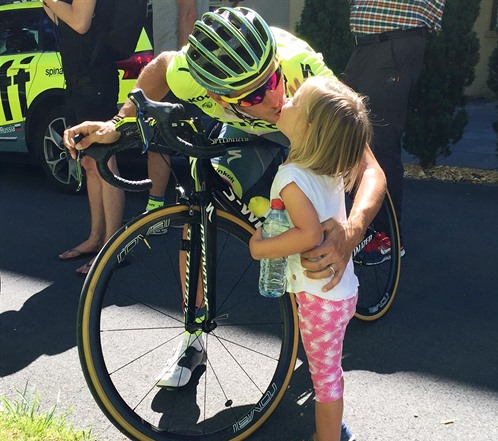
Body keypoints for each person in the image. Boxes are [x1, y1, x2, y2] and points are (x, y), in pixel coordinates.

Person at [63, 7, 387, 388]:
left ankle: (323, 297)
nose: (274, 98)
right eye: (254, 95)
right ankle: (193, 339)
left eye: (272, 81)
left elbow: (370, 169)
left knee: (313, 200)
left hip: (301, 129)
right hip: (236, 129)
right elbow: (162, 67)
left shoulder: (301, 70)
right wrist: (117, 125)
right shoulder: (191, 77)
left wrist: (351, 230)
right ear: (216, 94)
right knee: (198, 200)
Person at [249, 76, 368, 441]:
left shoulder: (291, 177)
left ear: (311, 129)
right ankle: (329, 431)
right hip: (340, 291)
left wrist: (259, 246)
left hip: (319, 298)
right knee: (328, 370)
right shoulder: (329, 171)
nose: (287, 99)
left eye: (297, 100)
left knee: (324, 377)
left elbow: (308, 236)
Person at [343, 0, 445, 262]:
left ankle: (388, 238)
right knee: (354, 135)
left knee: (380, 143)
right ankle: (365, 228)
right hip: (374, 46)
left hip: (392, 45)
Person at [44, 0, 124, 275]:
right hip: (78, 78)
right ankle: (95, 239)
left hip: (95, 80)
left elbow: (80, 23)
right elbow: (61, 22)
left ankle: (113, 249)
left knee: (105, 161)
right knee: (90, 163)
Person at [145, 0, 210, 216]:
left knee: (163, 142)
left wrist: (185, 66)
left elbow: (188, 13)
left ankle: (162, 213)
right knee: (165, 142)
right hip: (174, 69)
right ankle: (176, 211)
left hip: (180, 70)